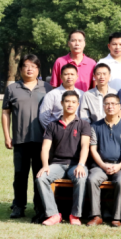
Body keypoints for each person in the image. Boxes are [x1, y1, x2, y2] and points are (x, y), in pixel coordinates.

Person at [2, 54, 53, 221]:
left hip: (42, 140)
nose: (29, 69)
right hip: (20, 139)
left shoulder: (47, 88)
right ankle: (18, 206)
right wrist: (7, 136)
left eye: (33, 66)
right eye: (26, 65)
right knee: (20, 174)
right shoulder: (12, 88)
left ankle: (40, 206)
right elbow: (6, 113)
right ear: (20, 69)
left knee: (40, 174)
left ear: (38, 69)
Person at [35, 91, 90, 226]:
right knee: (41, 178)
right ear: (61, 103)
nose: (70, 104)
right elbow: (45, 148)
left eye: (73, 102)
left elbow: (85, 146)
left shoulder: (83, 124)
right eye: (67, 101)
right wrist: (45, 165)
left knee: (81, 177)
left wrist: (81, 164)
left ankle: (75, 215)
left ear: (78, 104)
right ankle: (53, 214)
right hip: (57, 164)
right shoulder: (52, 125)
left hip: (76, 164)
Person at [87, 94, 121, 227]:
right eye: (107, 104)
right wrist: (103, 165)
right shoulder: (95, 126)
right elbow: (93, 149)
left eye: (113, 104)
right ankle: (96, 216)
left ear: (119, 107)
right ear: (103, 106)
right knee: (92, 179)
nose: (110, 106)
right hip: (100, 166)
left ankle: (117, 217)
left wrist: (119, 166)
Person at [39, 64, 84, 128]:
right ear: (61, 77)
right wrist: (53, 131)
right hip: (57, 131)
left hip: (77, 131)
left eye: (72, 74)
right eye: (66, 74)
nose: (69, 77)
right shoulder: (52, 95)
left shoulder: (82, 94)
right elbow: (43, 117)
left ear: (77, 76)